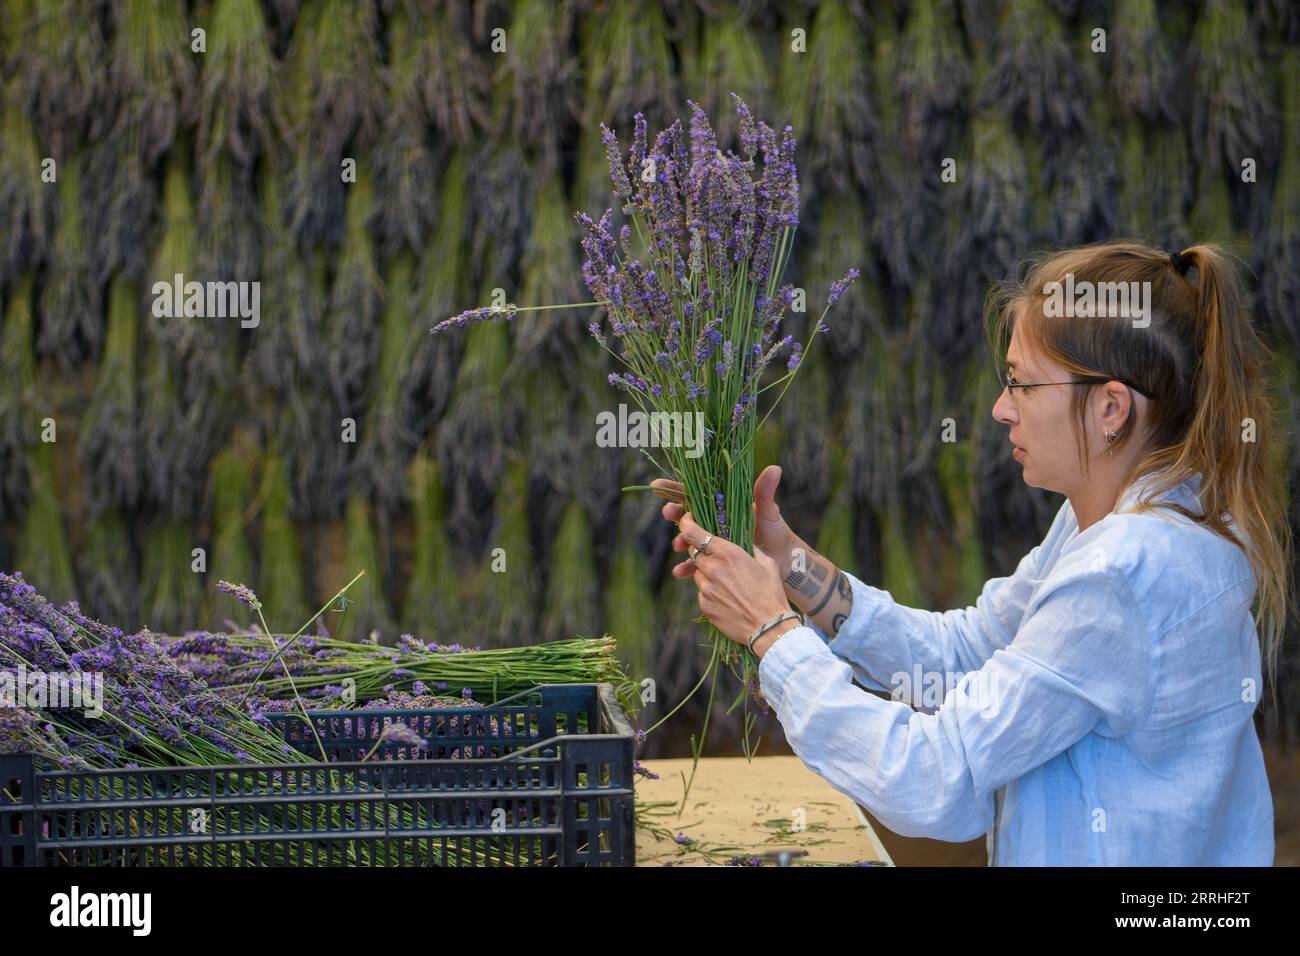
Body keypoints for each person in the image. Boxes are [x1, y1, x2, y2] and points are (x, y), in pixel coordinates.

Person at [650, 240, 1292, 865]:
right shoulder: (1117, 521)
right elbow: (967, 654)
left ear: (1110, 408)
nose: (999, 410)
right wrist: (788, 561)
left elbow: (938, 776)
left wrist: (771, 633)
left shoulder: (1125, 572)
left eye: (1021, 386)